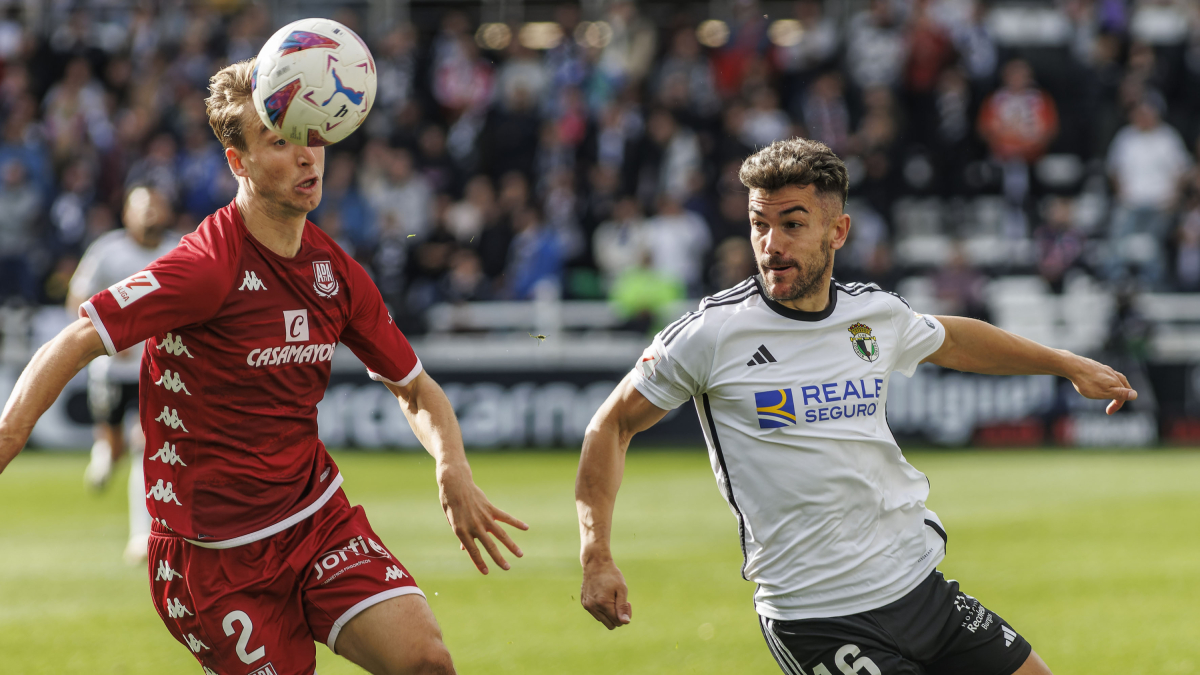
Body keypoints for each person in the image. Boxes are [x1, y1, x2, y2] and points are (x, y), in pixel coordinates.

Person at [0, 58, 526, 675]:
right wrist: (7, 439)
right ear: (238, 162)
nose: (307, 156)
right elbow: (78, 338)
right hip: (211, 559)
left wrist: (451, 465)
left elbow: (414, 388)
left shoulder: (337, 274)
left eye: (311, 135)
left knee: (427, 664)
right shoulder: (206, 267)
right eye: (279, 141)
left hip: (316, 520)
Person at [575, 138, 1136, 675]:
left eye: (792, 224)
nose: (772, 244)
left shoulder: (874, 315)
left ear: (837, 231)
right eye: (759, 224)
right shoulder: (710, 334)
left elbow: (957, 340)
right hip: (819, 617)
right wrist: (596, 555)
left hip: (921, 587)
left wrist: (1067, 363)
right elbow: (612, 424)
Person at [67, 185, 181, 564]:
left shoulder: (180, 248)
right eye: (143, 208)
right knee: (114, 447)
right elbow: (77, 298)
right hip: (112, 369)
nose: (150, 215)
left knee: (144, 445)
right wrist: (109, 337)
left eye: (156, 207)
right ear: (127, 214)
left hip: (159, 369)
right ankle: (103, 457)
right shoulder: (107, 251)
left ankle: (141, 535)